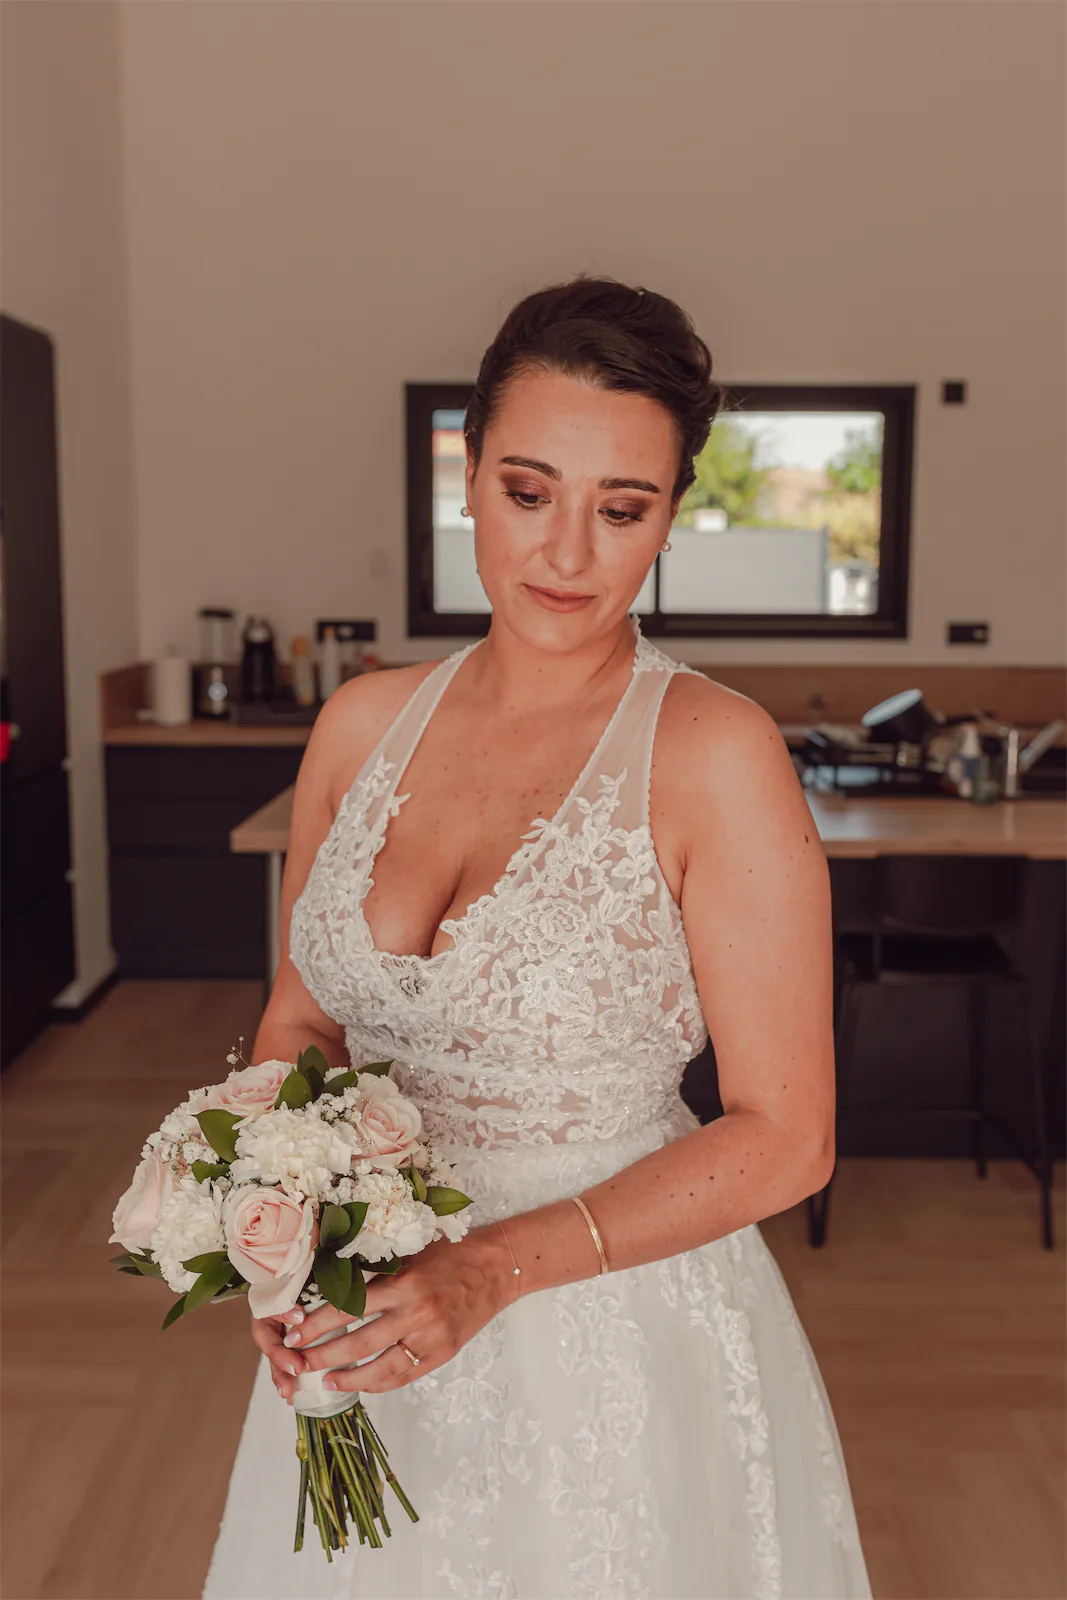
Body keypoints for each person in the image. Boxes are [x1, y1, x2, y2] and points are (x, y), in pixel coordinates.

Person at [203, 276, 872, 1600]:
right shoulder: (358, 725)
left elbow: (789, 1137)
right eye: (527, 491)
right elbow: (303, 1015)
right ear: (467, 477)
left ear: (668, 517)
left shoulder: (714, 753)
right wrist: (283, 1231)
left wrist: (492, 1271)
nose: (566, 553)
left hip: (607, 1337)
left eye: (621, 509)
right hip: (364, 1319)